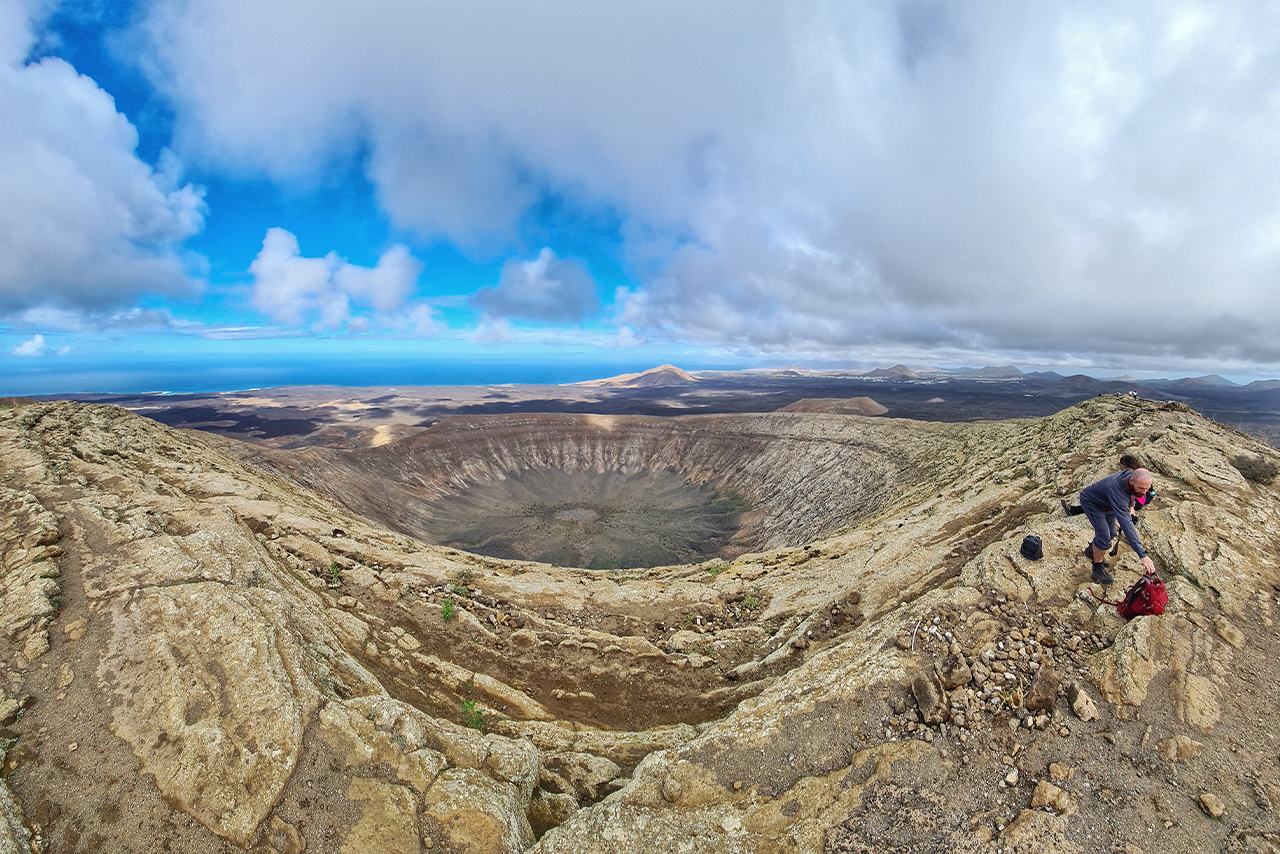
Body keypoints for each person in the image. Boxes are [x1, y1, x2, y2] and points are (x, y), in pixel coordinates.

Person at [1075, 467, 1156, 584]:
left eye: (1147, 489)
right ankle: (1097, 568)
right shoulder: (1117, 490)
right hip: (1092, 502)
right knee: (1103, 535)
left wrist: (1131, 506)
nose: (1144, 493)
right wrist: (1142, 555)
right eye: (1141, 488)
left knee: (1112, 533)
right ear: (1131, 481)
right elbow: (1126, 524)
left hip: (1109, 504)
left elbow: (1131, 493)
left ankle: (1091, 551)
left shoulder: (1131, 478)